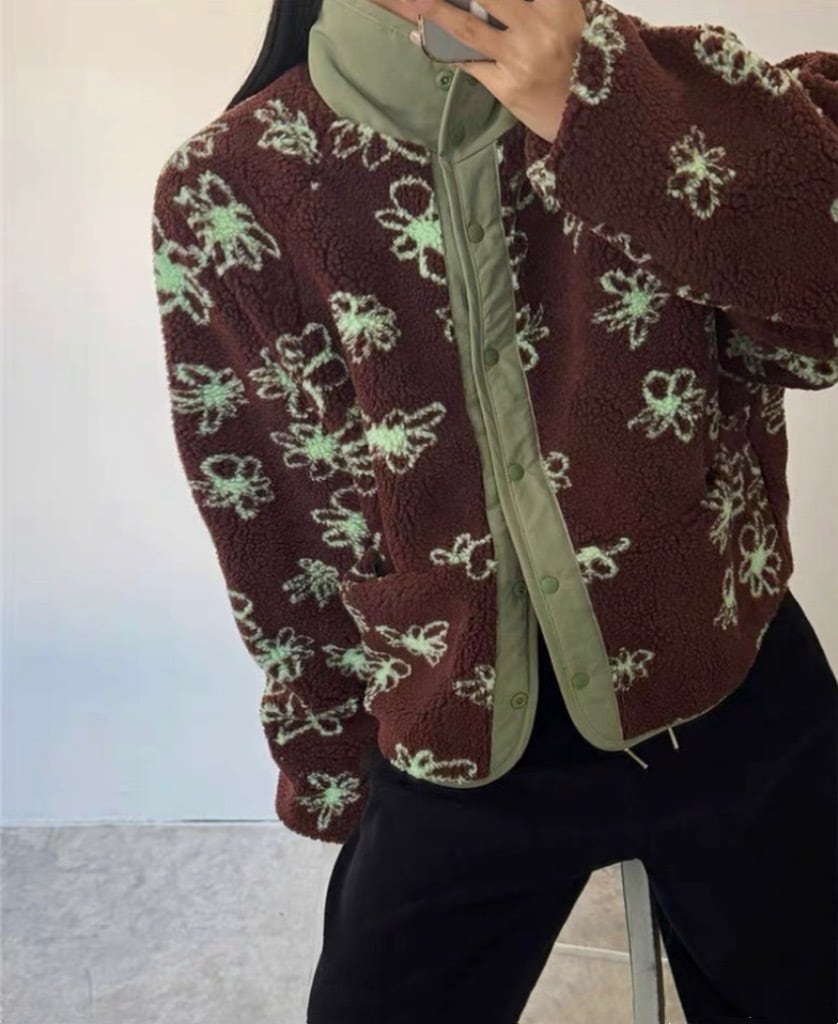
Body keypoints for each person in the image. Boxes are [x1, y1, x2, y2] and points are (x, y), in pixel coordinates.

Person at [150, 1, 838, 1020]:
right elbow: (271, 511)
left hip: (728, 685)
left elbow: (817, 323)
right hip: (454, 731)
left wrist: (610, 116)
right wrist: (328, 752)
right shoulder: (231, 185)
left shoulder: (672, 92)